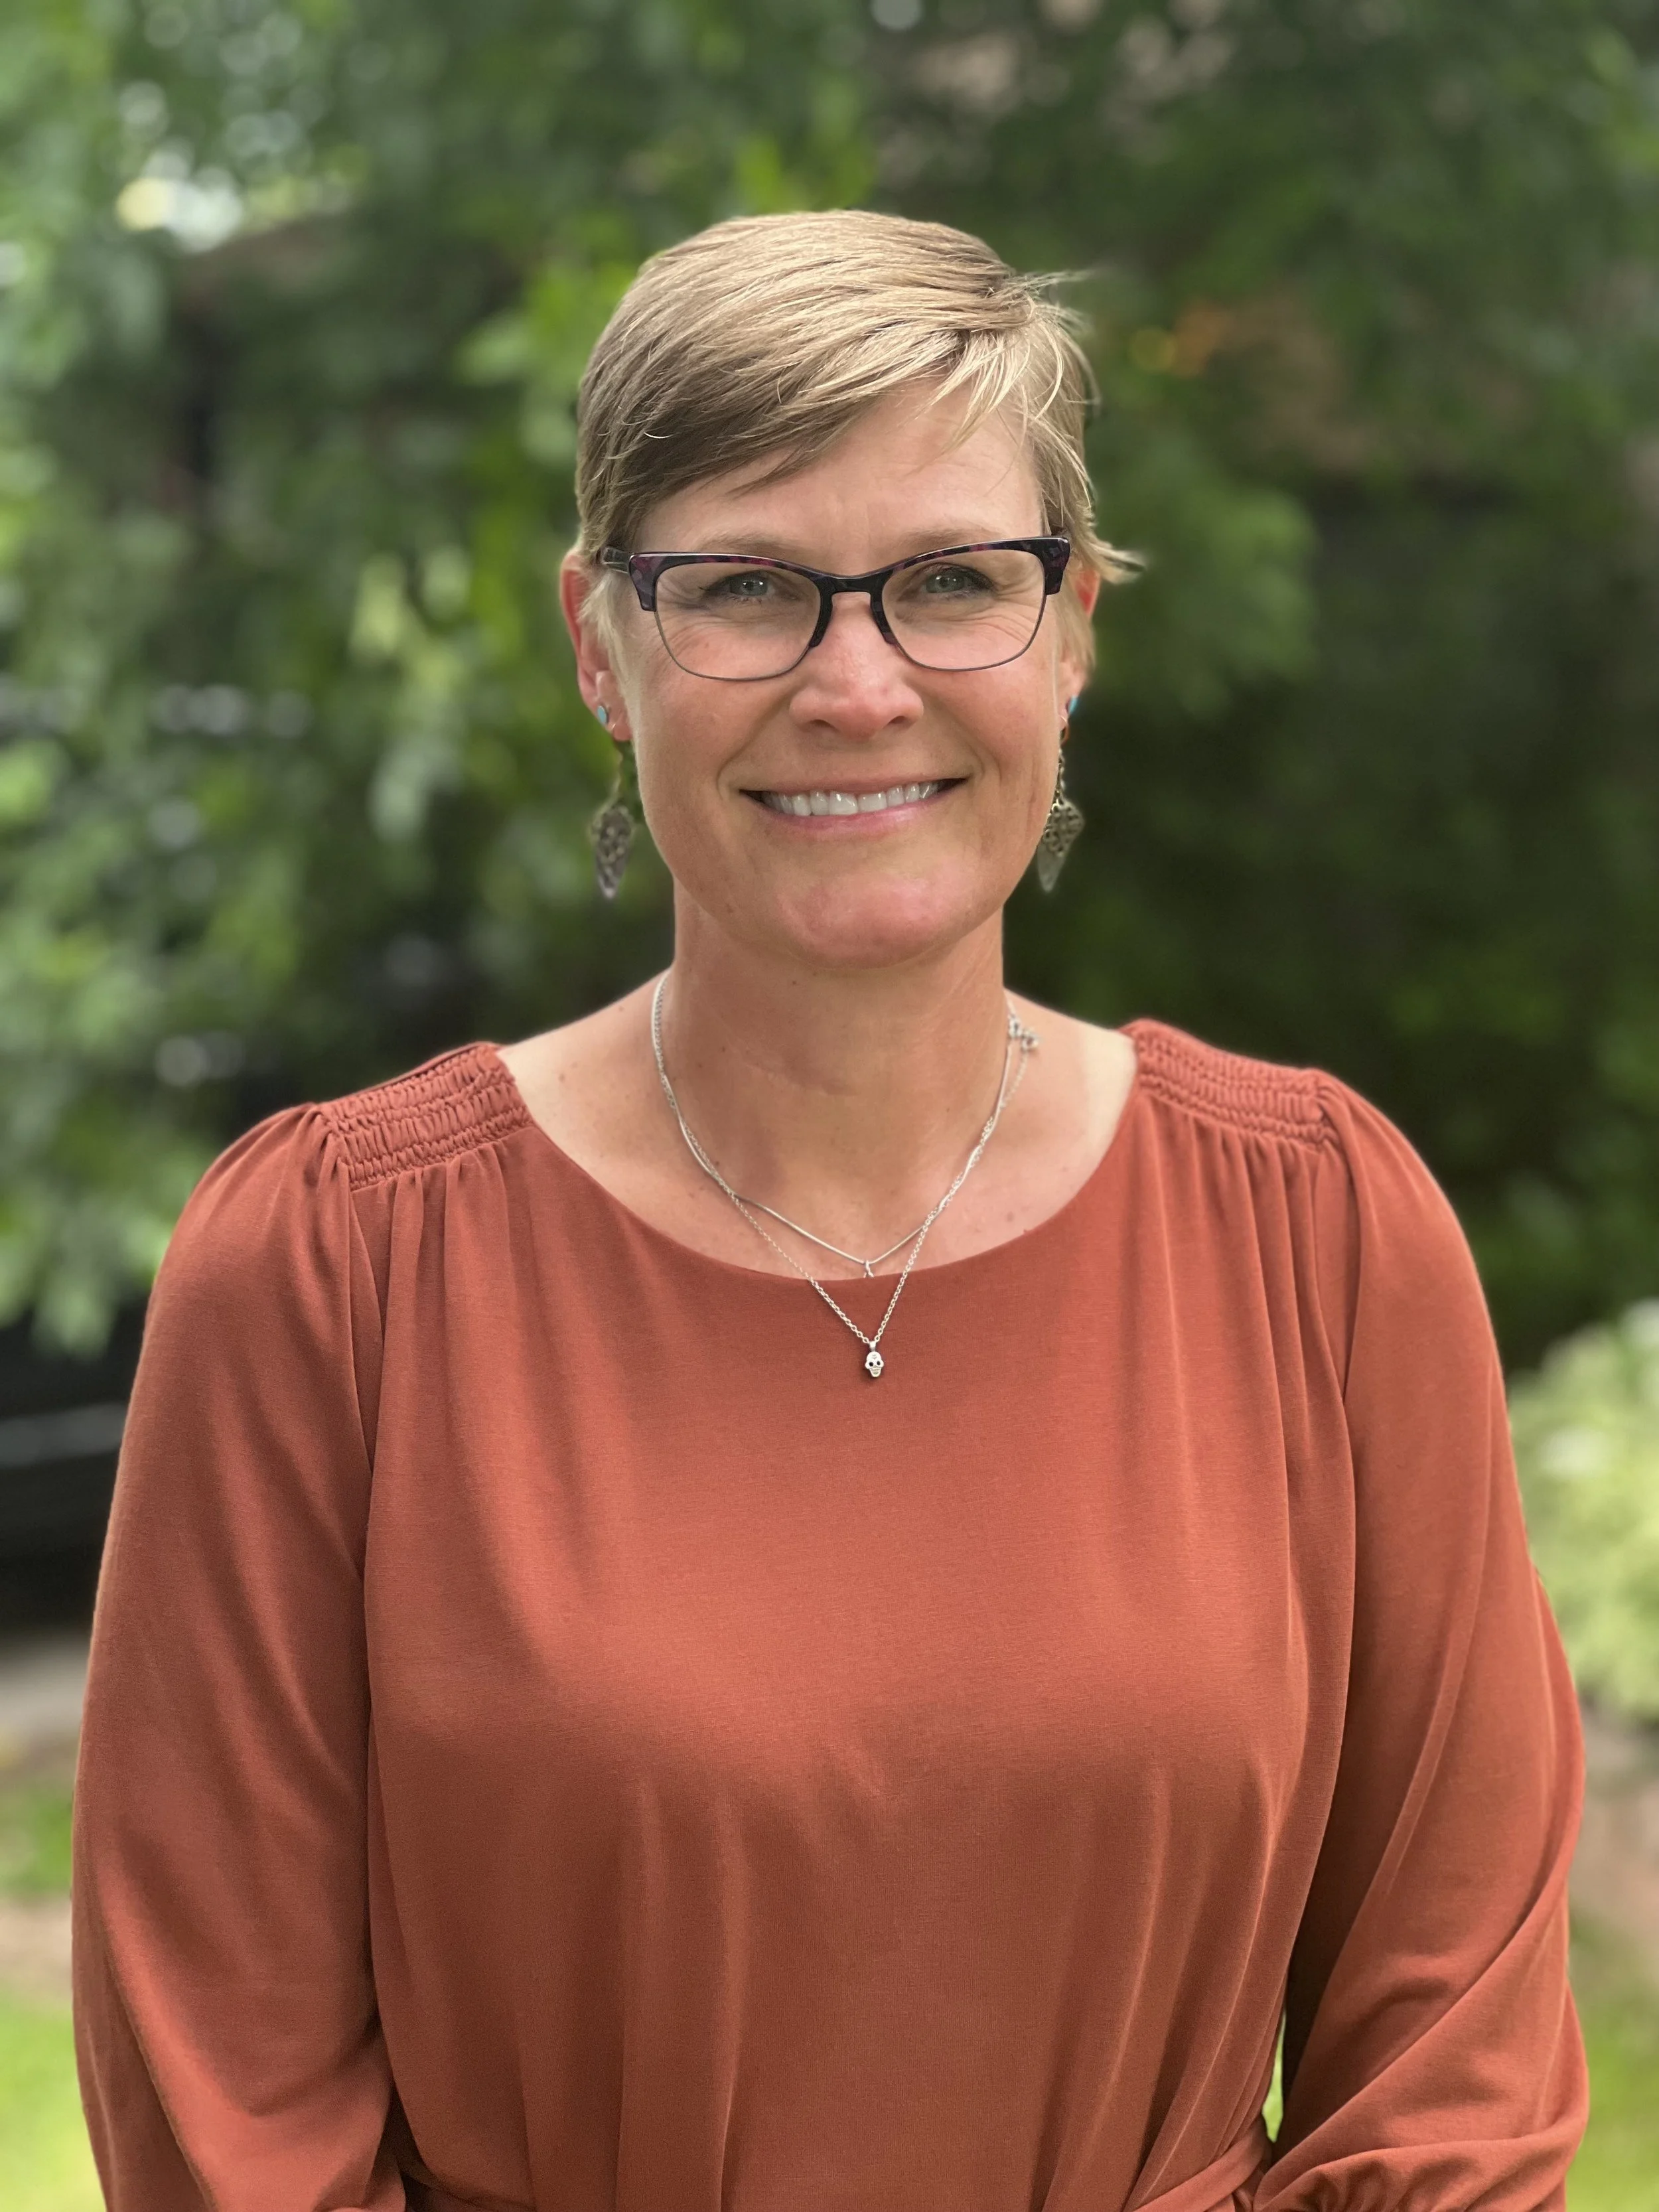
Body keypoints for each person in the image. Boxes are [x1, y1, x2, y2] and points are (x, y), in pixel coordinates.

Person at [73, 210, 1587, 2212]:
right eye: (744, 587)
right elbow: (228, 2120)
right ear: (600, 645)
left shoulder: (1318, 1236)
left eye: (954, 581)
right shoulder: (334, 1269)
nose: (857, 684)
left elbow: (1458, 2084)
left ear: (1071, 631)